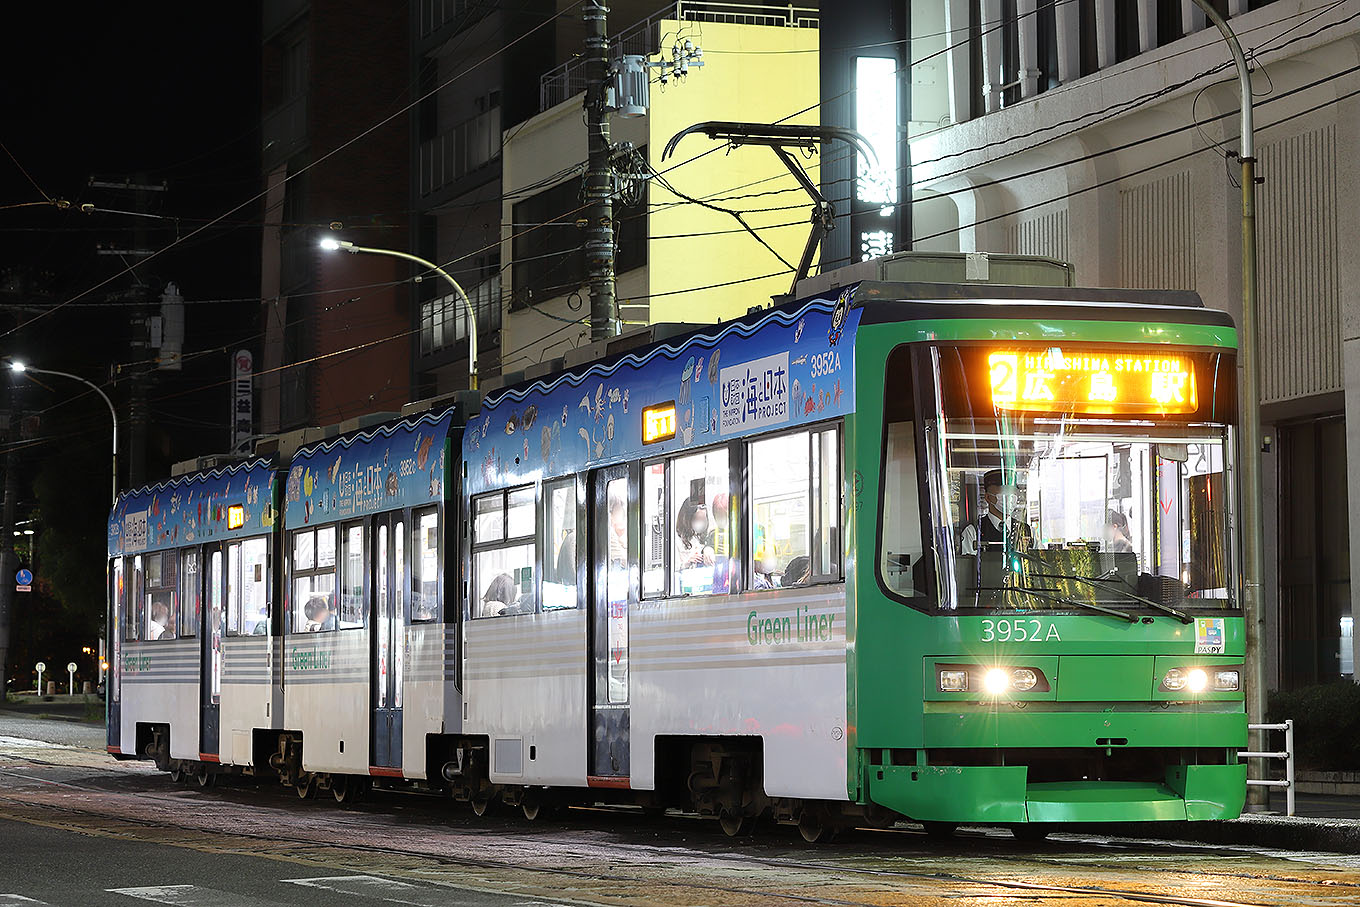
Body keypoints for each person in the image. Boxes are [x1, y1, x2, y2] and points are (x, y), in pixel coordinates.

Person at [959, 469, 1033, 555]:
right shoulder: (973, 532)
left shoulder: (1028, 531)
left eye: (1013, 492)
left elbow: (1040, 560)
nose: (1010, 497)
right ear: (988, 497)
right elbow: (968, 562)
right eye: (1004, 491)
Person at [675, 497, 715, 569]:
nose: (700, 523)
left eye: (703, 519)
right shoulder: (675, 540)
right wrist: (687, 563)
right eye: (696, 519)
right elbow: (672, 568)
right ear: (687, 518)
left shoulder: (701, 537)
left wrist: (707, 549)